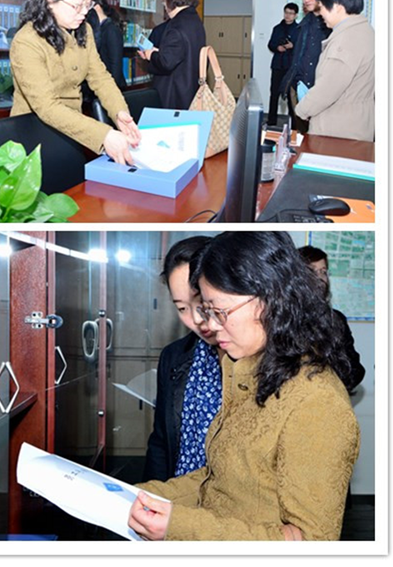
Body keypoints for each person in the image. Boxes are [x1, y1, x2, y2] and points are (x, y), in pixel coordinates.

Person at [128, 231, 360, 541]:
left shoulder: (317, 402)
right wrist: (142, 497)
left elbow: (310, 541)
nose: (210, 325)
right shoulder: (246, 372)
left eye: (219, 312)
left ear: (270, 300)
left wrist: (178, 525)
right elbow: (219, 479)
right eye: (206, 311)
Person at [9, 0, 140, 165]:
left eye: (88, 5)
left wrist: (119, 112)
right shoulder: (27, 41)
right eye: (77, 6)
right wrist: (103, 135)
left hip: (73, 133)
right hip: (33, 137)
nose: (84, 12)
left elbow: (100, 78)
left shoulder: (84, 30)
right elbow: (46, 106)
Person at [143, 236, 223, 482]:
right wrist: (152, 495)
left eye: (203, 302)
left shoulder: (252, 355)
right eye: (182, 308)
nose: (197, 319)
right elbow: (160, 441)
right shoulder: (174, 357)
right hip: (178, 494)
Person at [295, 0, 375, 142]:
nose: (321, 12)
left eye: (322, 6)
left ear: (337, 6)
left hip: (339, 130)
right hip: (357, 124)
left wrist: (301, 110)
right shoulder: (365, 31)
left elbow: (327, 90)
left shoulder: (346, 40)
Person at [298, 245, 366, 391]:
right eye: (312, 271)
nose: (320, 278)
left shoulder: (336, 319)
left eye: (323, 272)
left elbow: (356, 370)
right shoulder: (282, 319)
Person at [137, 0, 205, 109]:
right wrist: (159, 52)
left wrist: (150, 55)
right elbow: (180, 54)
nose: (164, 5)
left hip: (174, 94)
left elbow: (166, 62)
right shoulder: (194, 20)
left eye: (164, 1)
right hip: (190, 90)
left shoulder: (177, 25)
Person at [281, 0, 331, 133]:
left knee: (318, 136)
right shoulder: (304, 24)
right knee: (301, 135)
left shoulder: (331, 26)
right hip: (298, 86)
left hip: (319, 90)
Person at [266, 2, 301, 127]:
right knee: (274, 94)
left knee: (292, 96)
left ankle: (295, 124)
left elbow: (302, 48)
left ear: (296, 15)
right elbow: (270, 44)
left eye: (291, 13)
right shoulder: (277, 28)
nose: (288, 15)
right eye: (286, 12)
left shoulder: (299, 29)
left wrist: (293, 46)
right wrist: (277, 47)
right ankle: (271, 121)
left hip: (291, 67)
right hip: (278, 65)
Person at [89, 0, 127, 90]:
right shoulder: (98, 28)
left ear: (97, 7)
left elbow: (115, 63)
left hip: (111, 86)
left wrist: (111, 89)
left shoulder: (111, 29)